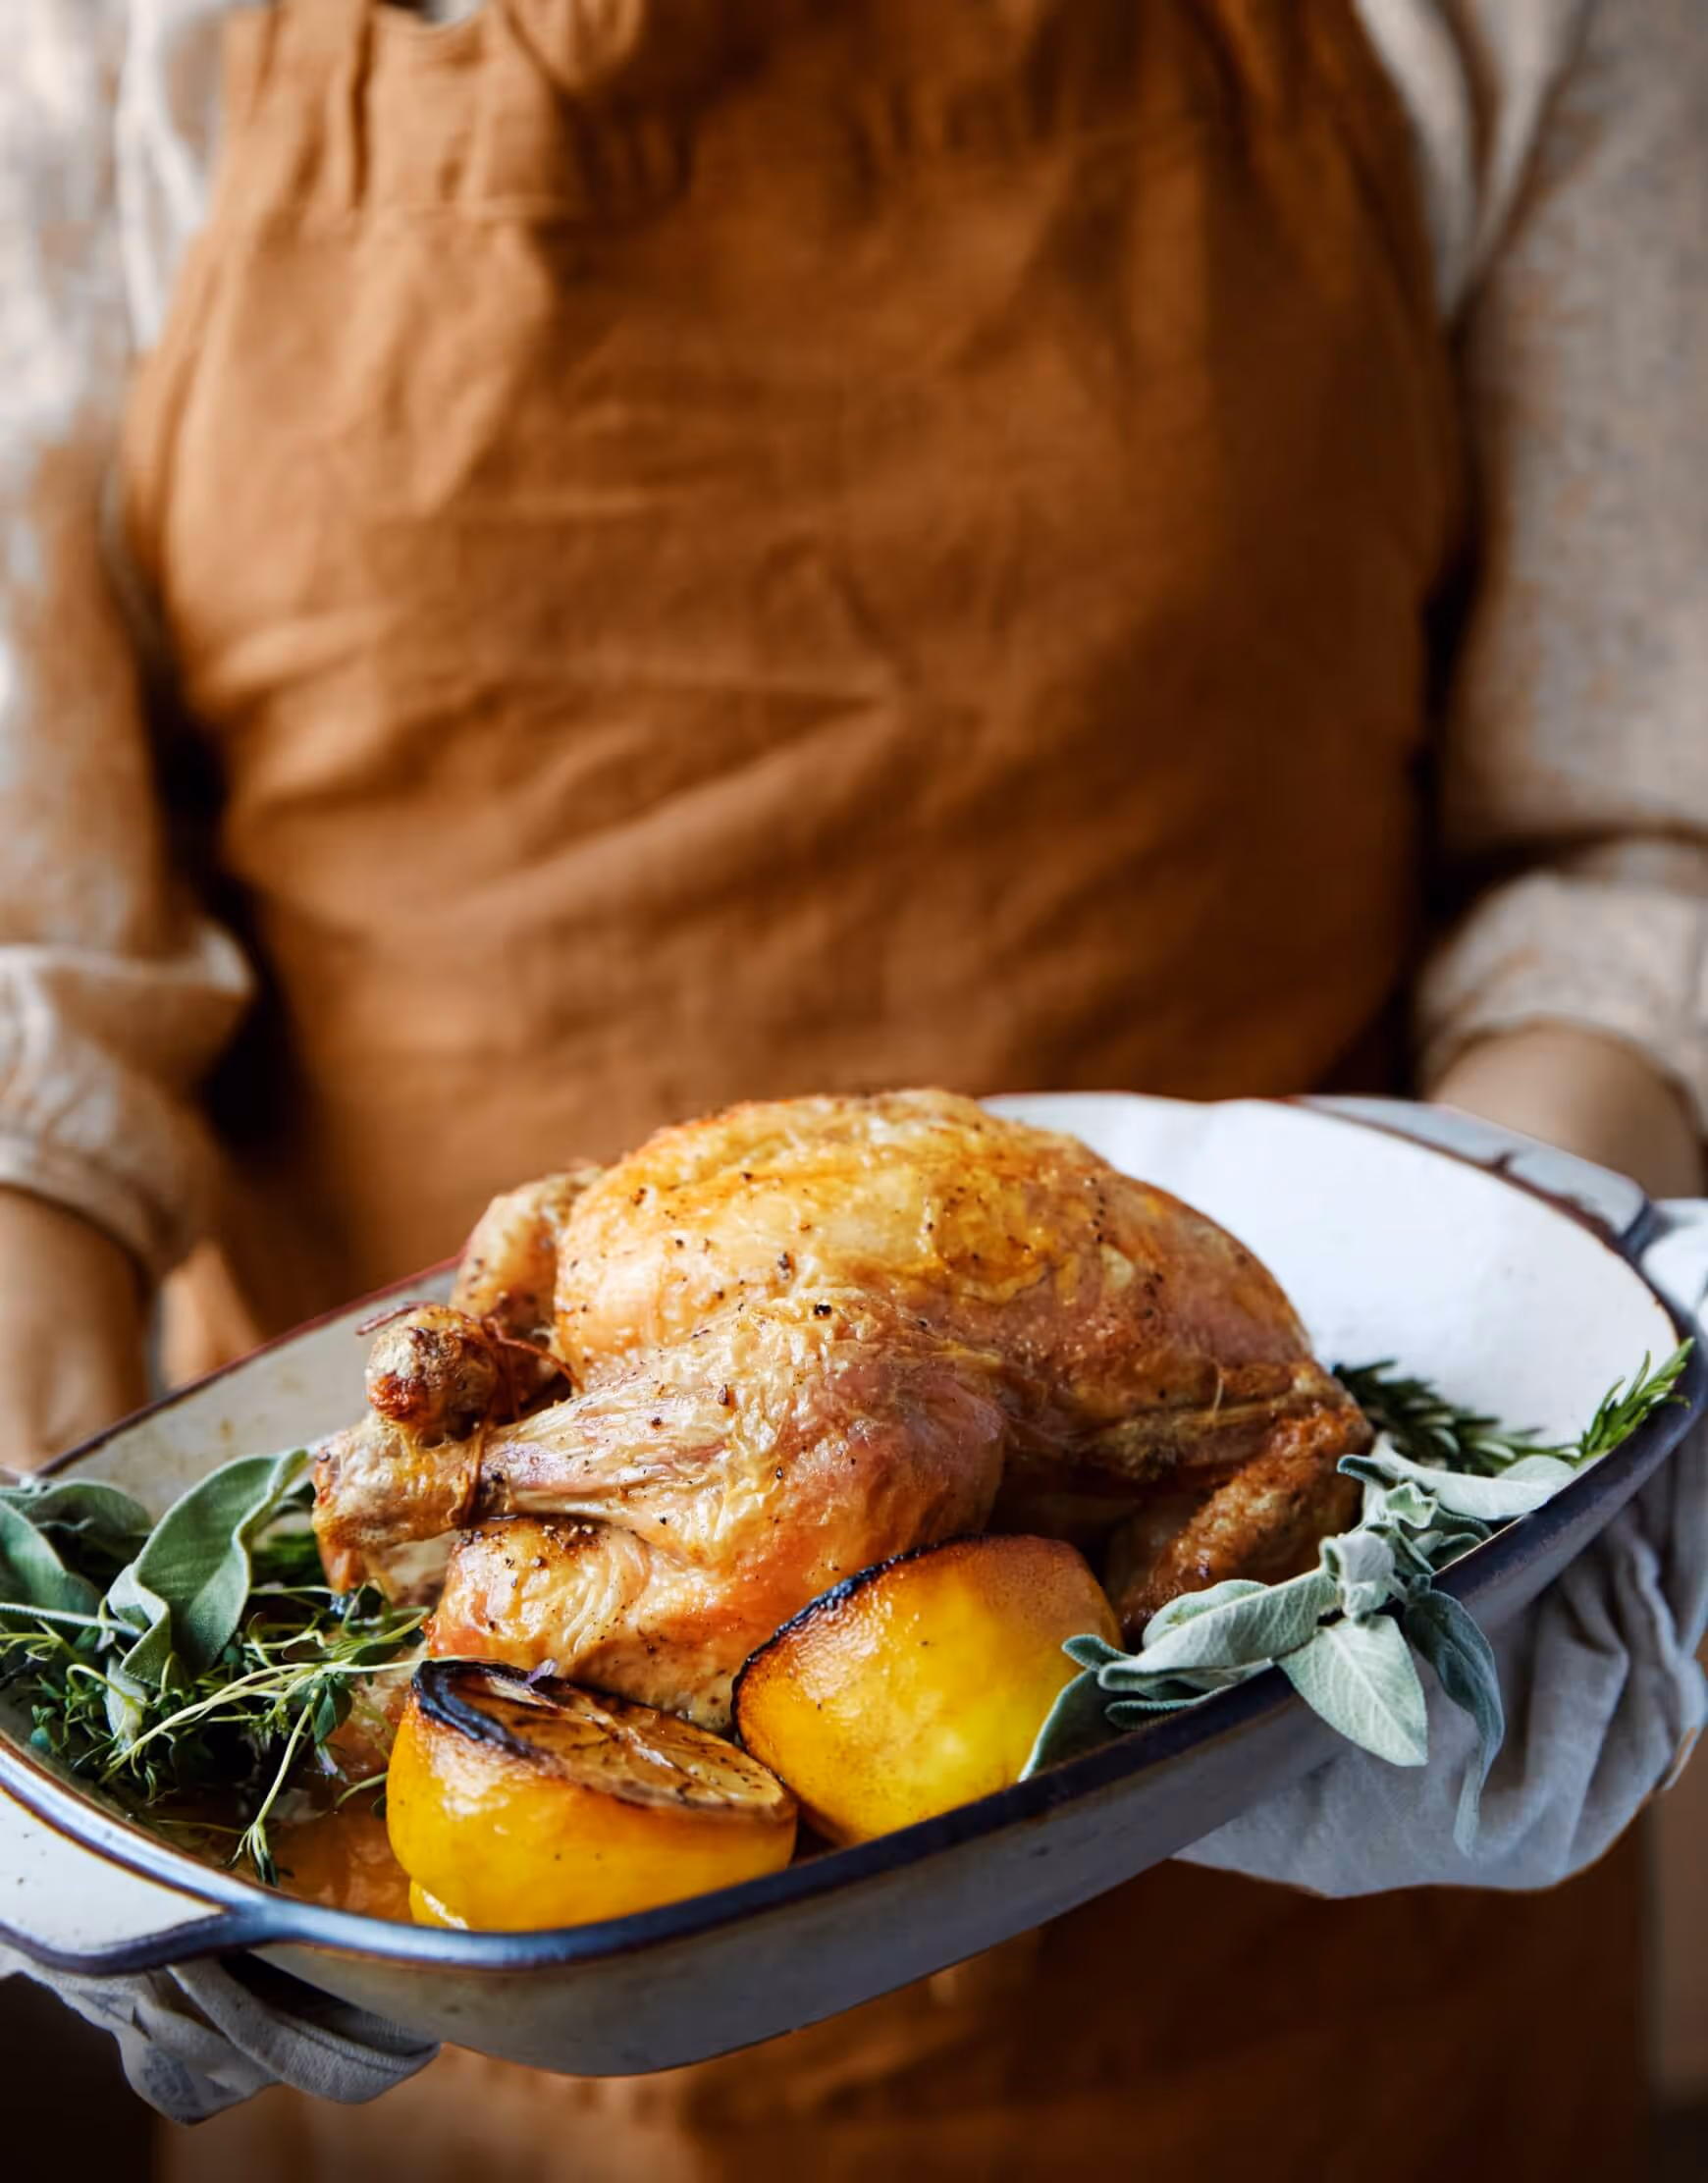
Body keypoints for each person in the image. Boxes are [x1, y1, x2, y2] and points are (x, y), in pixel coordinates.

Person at [2, 0, 1705, 2176]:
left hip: (1321, 2002)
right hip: (460, 1949)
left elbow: (1628, 849)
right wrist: (65, 1708)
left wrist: (1539, 1400)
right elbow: (25, 1000)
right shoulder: (87, 45)